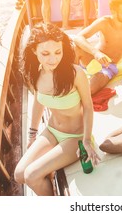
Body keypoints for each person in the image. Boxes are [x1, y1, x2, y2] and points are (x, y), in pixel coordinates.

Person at [14, 23, 100, 196]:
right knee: (19, 175)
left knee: (31, 176)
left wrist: (87, 141)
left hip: (75, 137)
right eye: (45, 54)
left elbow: (89, 107)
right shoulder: (34, 73)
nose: (53, 59)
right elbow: (39, 101)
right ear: (34, 51)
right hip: (52, 131)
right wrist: (32, 134)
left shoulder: (75, 74)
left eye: (58, 52)